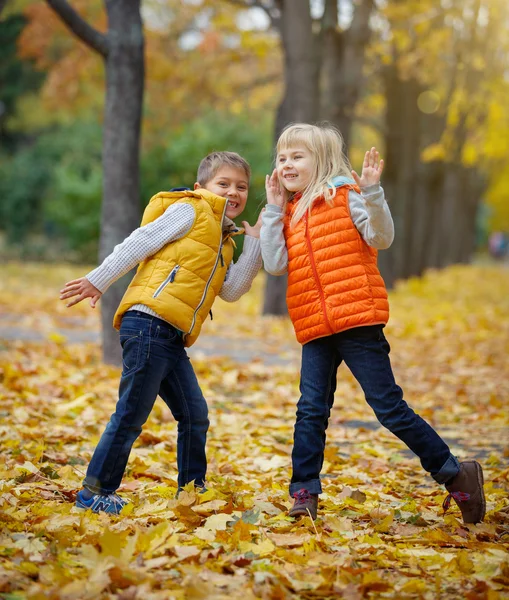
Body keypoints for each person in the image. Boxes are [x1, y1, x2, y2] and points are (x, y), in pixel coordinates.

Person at [260, 123, 485, 523]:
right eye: (282, 158)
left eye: (297, 156)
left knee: (388, 408)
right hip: (314, 327)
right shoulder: (289, 213)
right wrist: (275, 210)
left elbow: (381, 237)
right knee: (310, 409)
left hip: (358, 320)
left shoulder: (348, 196)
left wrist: (374, 192)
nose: (286, 164)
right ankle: (304, 492)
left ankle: (455, 473)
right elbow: (276, 265)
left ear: (322, 160)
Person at [60, 151, 263, 514]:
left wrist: (257, 244)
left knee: (194, 413)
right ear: (202, 187)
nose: (233, 192)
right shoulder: (191, 209)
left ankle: (191, 493)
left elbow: (231, 290)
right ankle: (94, 493)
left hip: (170, 335)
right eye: (224, 183)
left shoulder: (226, 241)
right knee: (131, 413)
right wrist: (99, 280)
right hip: (149, 322)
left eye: (241, 186)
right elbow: (140, 241)